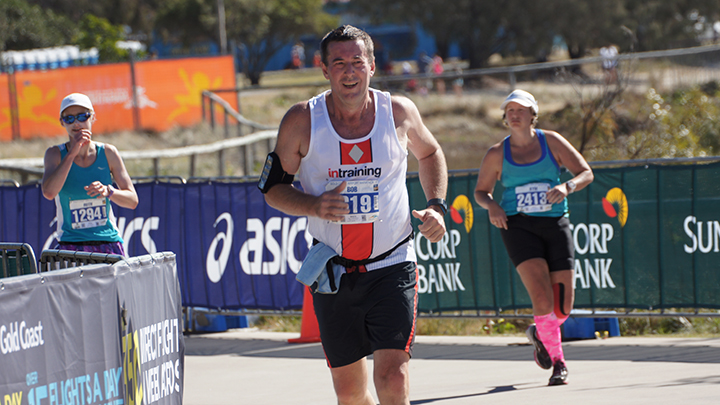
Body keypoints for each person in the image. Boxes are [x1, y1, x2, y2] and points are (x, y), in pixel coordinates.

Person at [259, 25, 448, 405]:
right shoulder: (302, 121)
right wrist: (313, 205)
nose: (349, 71)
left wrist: (436, 206)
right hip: (334, 271)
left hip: (392, 263)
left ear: (372, 66)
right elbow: (272, 190)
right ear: (324, 69)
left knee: (392, 378)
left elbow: (430, 154)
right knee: (350, 394)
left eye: (357, 62)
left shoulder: (398, 111)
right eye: (339, 63)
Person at [473, 89, 593, 386]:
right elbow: (480, 192)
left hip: (554, 223)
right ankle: (558, 363)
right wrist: (493, 206)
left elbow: (585, 172)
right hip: (518, 226)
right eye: (509, 110)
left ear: (532, 114)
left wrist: (567, 187)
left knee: (562, 307)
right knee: (540, 295)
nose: (514, 115)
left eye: (520, 110)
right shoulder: (497, 153)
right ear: (505, 117)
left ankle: (541, 332)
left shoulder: (551, 141)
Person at [42, 93, 138, 256]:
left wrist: (109, 191)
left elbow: (133, 201)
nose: (77, 123)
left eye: (82, 116)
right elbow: (49, 192)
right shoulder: (55, 154)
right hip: (71, 245)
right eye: (69, 119)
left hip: (108, 243)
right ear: (62, 122)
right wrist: (72, 154)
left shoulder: (108, 152)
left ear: (92, 118)